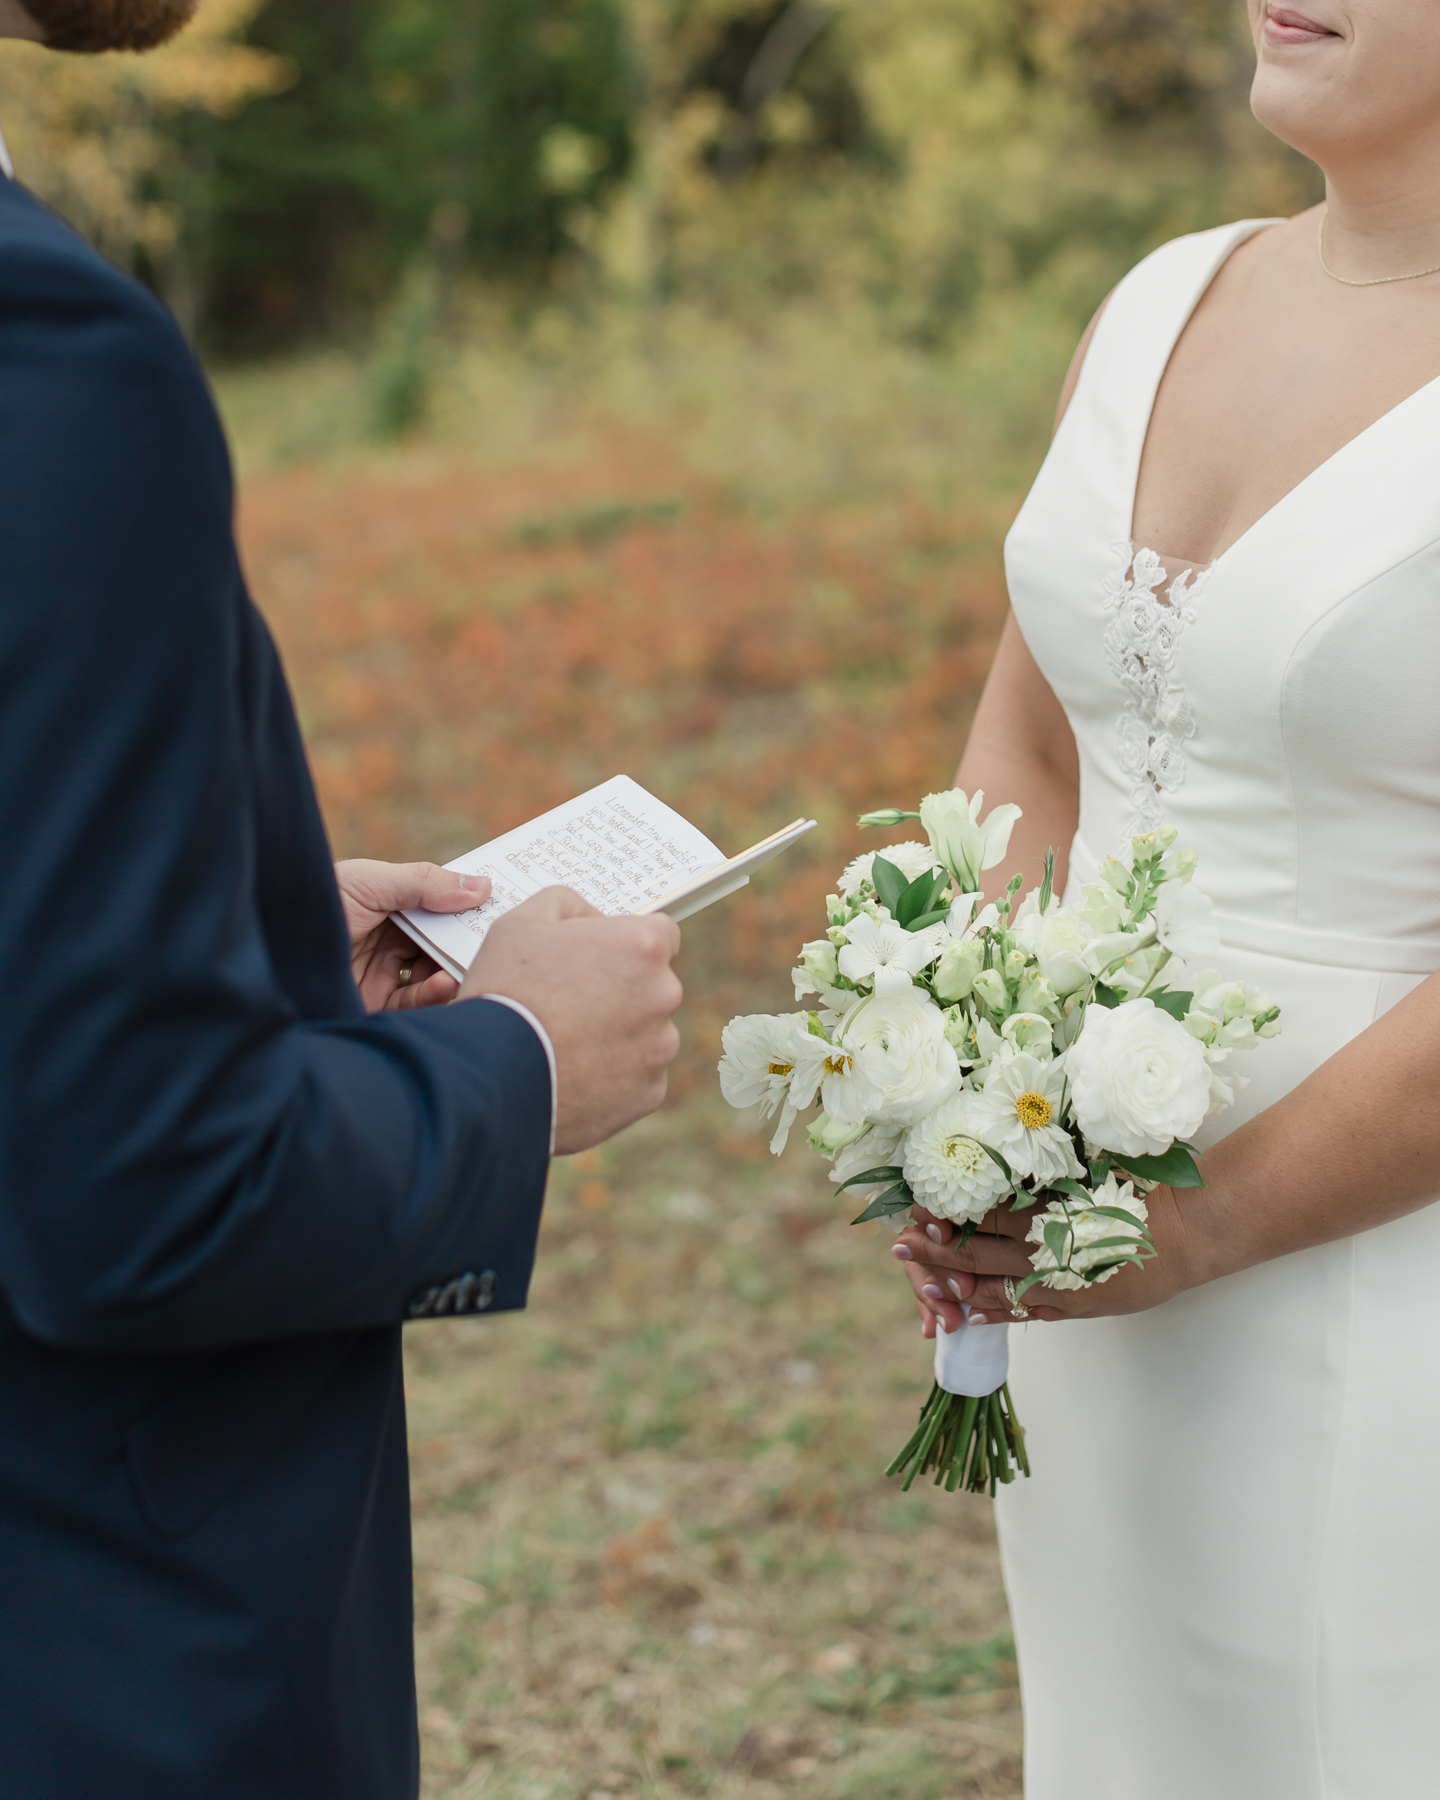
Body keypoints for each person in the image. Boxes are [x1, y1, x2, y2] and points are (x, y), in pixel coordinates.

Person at [0, 0, 685, 1794]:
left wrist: (217, 924)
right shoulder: (47, 351)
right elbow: (142, 1197)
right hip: (92, 1652)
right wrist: (524, 1063)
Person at [889, 2, 1440, 1794]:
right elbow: (1031, 742)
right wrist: (969, 1084)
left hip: (1375, 1254)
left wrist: (1203, 1229)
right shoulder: (1160, 297)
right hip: (1090, 1243)